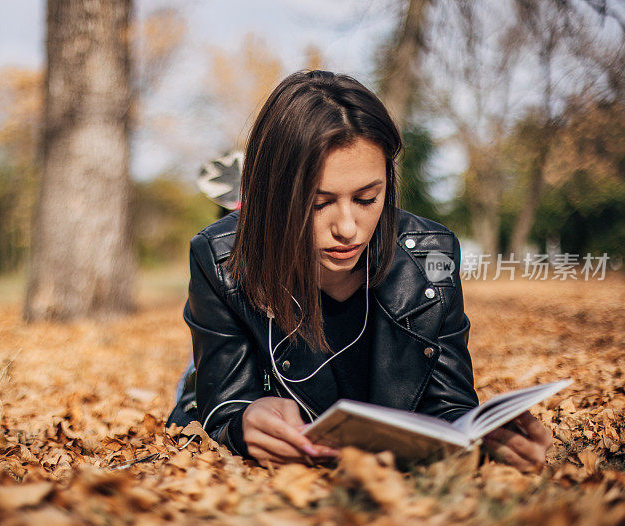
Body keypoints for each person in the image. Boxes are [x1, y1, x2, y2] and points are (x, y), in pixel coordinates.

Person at [166, 70, 552, 471]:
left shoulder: (430, 259)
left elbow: (449, 403)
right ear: (271, 195)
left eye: (367, 198)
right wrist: (244, 421)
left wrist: (489, 441)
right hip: (223, 387)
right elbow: (223, 403)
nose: (347, 228)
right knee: (195, 382)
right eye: (318, 203)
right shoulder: (221, 260)